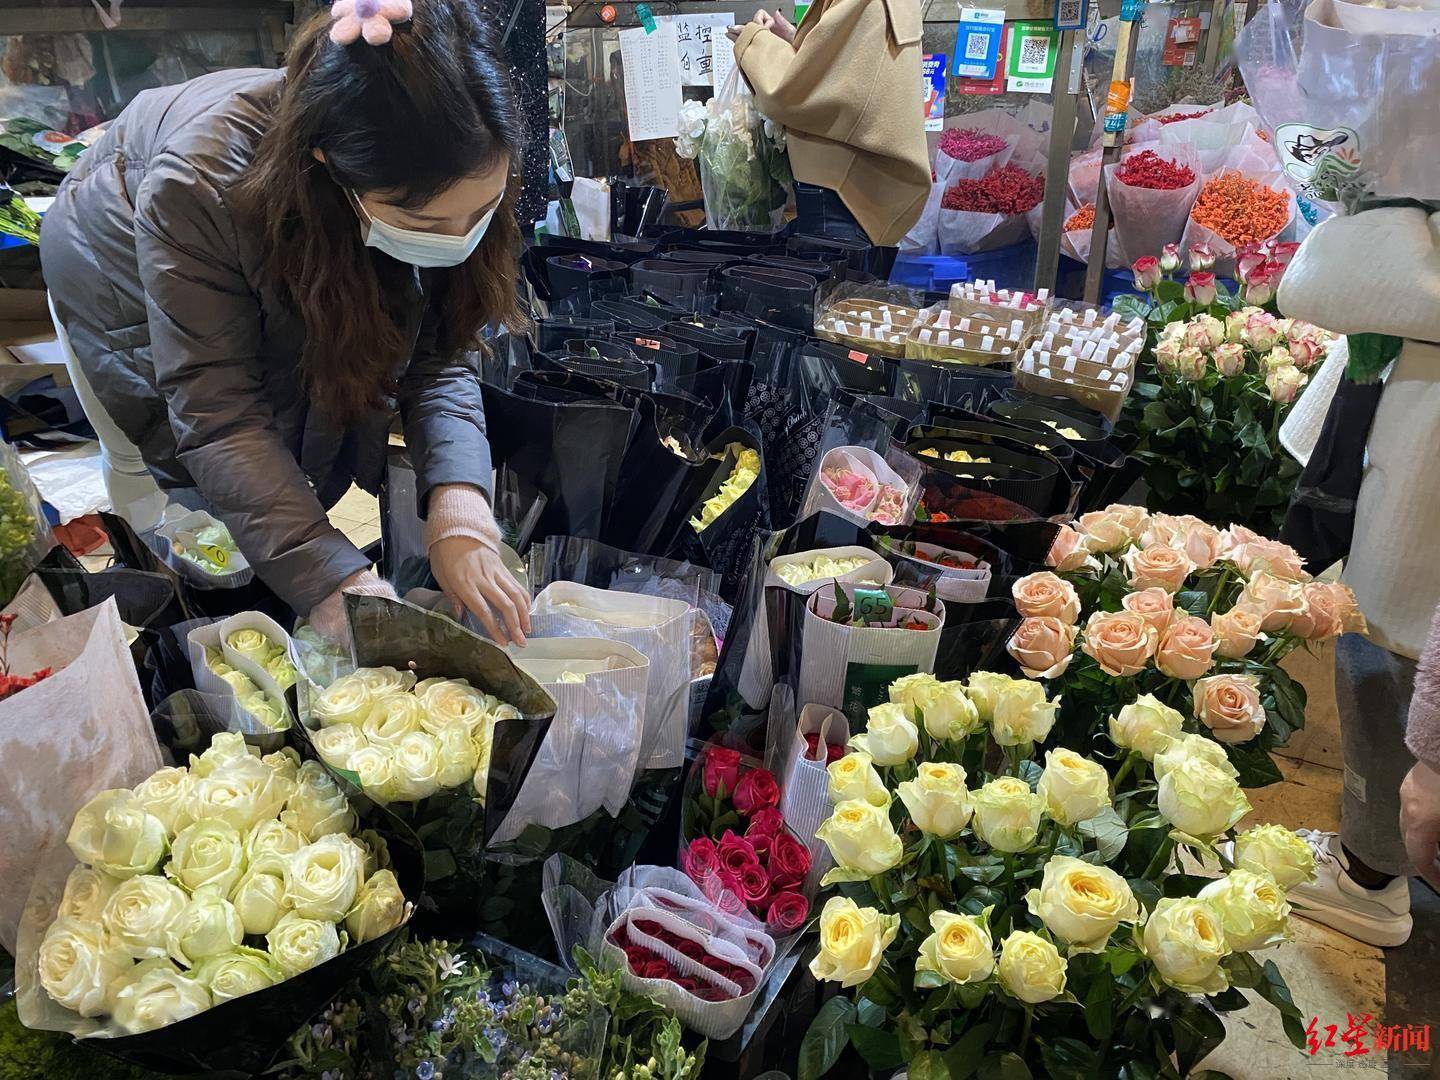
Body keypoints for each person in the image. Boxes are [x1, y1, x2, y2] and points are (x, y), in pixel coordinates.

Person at [39, 0, 532, 646]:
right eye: (429, 225)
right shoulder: (199, 184)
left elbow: (440, 354)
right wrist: (334, 583)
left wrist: (460, 511)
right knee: (170, 498)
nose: (460, 238)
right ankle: (170, 632)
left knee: (286, 472)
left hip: (279, 236)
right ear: (332, 167)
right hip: (111, 266)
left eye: (480, 211)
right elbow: (219, 418)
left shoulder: (448, 149)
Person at [1274, 204, 1440, 947]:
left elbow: (1325, 282)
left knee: (1390, 655)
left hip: (1423, 450)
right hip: (1409, 418)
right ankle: (1374, 858)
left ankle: (1373, 878)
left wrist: (1384, 197)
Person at [726, 1, 929, 255]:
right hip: (862, 185)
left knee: (832, 291)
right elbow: (851, 69)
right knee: (851, 286)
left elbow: (791, 90)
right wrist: (797, 41)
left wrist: (754, 42)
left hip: (839, 192)